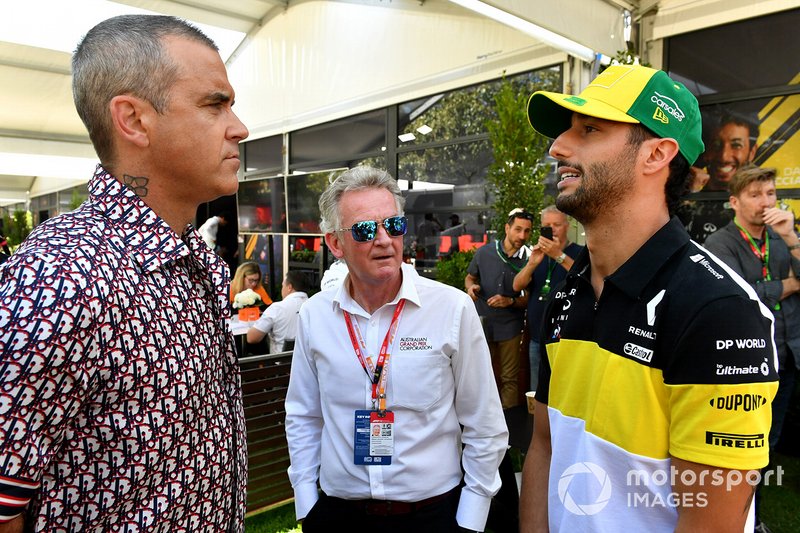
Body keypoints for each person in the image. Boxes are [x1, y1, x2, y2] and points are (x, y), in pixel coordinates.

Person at [0, 14, 249, 531]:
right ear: (133, 120)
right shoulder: (61, 274)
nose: (239, 127)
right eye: (213, 103)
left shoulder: (191, 257)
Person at [519, 64, 778, 533]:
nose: (558, 147)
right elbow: (545, 444)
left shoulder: (720, 311)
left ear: (657, 154)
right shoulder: (569, 289)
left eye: (590, 130)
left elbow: (711, 524)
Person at [285, 166, 508, 533]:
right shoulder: (314, 316)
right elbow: (304, 416)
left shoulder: (451, 309)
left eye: (394, 225)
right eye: (365, 229)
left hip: (433, 517)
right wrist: (308, 504)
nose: (384, 239)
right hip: (339, 517)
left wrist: (470, 519)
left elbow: (484, 425)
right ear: (335, 244)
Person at [703, 164, 800, 532]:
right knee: (745, 448)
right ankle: (745, 519)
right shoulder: (721, 243)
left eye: (771, 194)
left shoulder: (781, 236)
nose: (765, 202)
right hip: (749, 360)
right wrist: (787, 286)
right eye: (755, 195)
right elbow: (737, 297)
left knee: (769, 444)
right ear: (734, 201)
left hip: (787, 355)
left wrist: (791, 238)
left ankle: (750, 513)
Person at [465, 208, 532, 408]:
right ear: (507, 228)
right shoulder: (485, 252)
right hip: (482, 322)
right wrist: (471, 287)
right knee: (479, 376)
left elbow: (533, 298)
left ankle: (509, 427)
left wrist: (510, 301)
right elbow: (470, 277)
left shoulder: (530, 259)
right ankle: (480, 420)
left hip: (510, 325)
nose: (522, 236)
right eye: (518, 229)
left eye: (527, 231)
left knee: (509, 378)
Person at [511, 206, 583, 392]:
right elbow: (516, 286)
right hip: (537, 336)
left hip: (567, 339)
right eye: (547, 225)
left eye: (557, 224)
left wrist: (558, 255)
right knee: (538, 391)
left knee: (566, 391)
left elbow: (584, 277)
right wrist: (533, 263)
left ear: (567, 226)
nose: (552, 229)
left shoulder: (579, 252)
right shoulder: (537, 254)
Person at [680, 112, 760, 243]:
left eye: (736, 145)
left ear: (752, 152)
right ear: (706, 151)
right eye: (716, 145)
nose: (724, 156)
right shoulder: (688, 192)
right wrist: (690, 192)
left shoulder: (754, 205)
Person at [247, 270, 309, 353]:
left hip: (281, 363)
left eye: (283, 285)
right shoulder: (316, 307)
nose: (281, 289)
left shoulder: (277, 308)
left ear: (289, 287)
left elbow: (251, 338)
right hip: (309, 363)